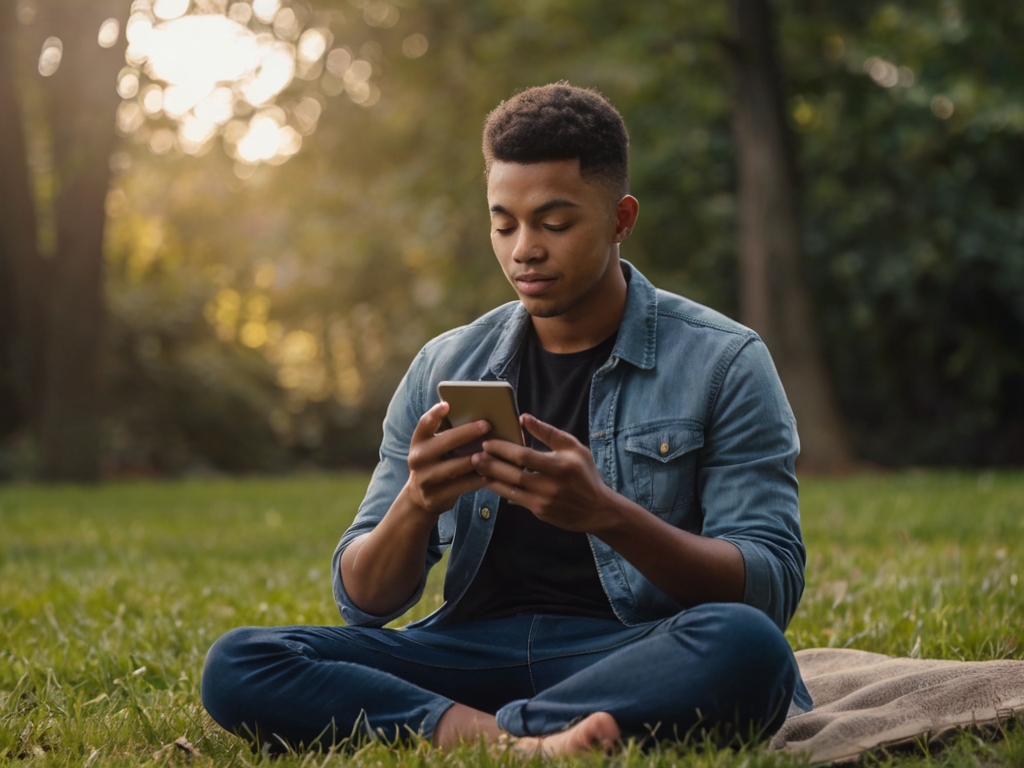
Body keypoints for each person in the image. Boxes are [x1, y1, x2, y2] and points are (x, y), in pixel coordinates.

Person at [201, 82, 812, 756]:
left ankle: (473, 731)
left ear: (621, 218)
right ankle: (505, 739)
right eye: (504, 223)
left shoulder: (724, 363)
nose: (525, 249)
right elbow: (365, 602)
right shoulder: (445, 364)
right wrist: (416, 502)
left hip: (630, 651)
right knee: (241, 662)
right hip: (468, 649)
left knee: (750, 650)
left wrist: (607, 514)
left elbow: (768, 589)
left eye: (554, 223)